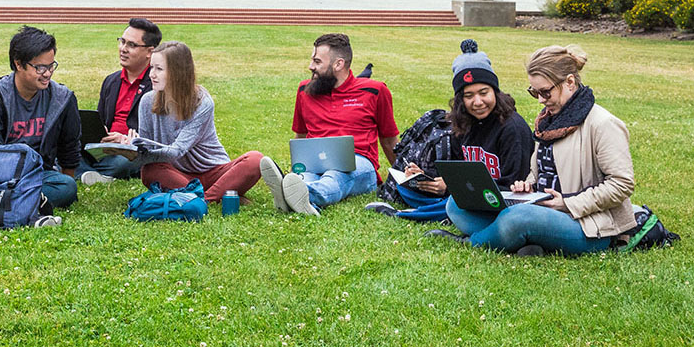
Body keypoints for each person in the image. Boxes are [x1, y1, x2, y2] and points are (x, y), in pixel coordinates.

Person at [430, 45, 636, 256]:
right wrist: (527, 185)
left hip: (590, 226)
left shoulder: (603, 124)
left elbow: (622, 183)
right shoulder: (549, 120)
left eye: (545, 92)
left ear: (570, 82)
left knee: (518, 218)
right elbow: (541, 171)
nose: (540, 99)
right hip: (541, 209)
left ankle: (474, 242)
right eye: (534, 92)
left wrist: (567, 203)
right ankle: (521, 241)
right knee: (457, 204)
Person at [365, 39, 533, 222]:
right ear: (461, 100)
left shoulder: (512, 128)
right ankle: (442, 209)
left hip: (502, 200)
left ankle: (411, 214)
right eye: (469, 96)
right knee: (408, 188)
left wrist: (453, 189)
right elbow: (457, 172)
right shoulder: (463, 123)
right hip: (467, 195)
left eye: (484, 93)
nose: (477, 102)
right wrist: (424, 177)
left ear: (495, 92)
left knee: (456, 203)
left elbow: (513, 186)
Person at [260, 33, 399, 215]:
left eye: (317, 62)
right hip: (315, 163)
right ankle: (303, 200)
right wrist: (299, 166)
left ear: (338, 64)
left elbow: (389, 141)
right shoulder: (304, 90)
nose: (311, 67)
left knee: (335, 175)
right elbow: (301, 138)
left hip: (359, 164)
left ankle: (294, 195)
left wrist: (402, 179)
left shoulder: (374, 91)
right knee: (305, 177)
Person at [109, 41, 263, 204]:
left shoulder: (202, 102)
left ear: (178, 73)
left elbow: (177, 150)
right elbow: (148, 157)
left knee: (255, 160)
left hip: (214, 171)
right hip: (178, 176)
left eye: (159, 69)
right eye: (151, 67)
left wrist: (143, 152)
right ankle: (220, 196)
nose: (151, 75)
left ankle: (204, 199)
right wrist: (131, 148)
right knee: (150, 170)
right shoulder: (147, 102)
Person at [0, 26, 81, 209]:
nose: (48, 73)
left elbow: (70, 145)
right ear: (19, 64)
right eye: (40, 68)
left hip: (39, 175)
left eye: (51, 66)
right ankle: (11, 199)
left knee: (66, 187)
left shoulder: (62, 98)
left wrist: (67, 183)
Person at [79, 18, 162, 185]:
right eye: (122, 42)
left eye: (131, 45)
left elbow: (158, 136)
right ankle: (92, 173)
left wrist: (125, 139)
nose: (123, 49)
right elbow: (101, 119)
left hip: (131, 150)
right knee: (69, 150)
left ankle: (86, 173)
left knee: (122, 163)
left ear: (149, 52)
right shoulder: (111, 81)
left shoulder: (157, 84)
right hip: (105, 146)